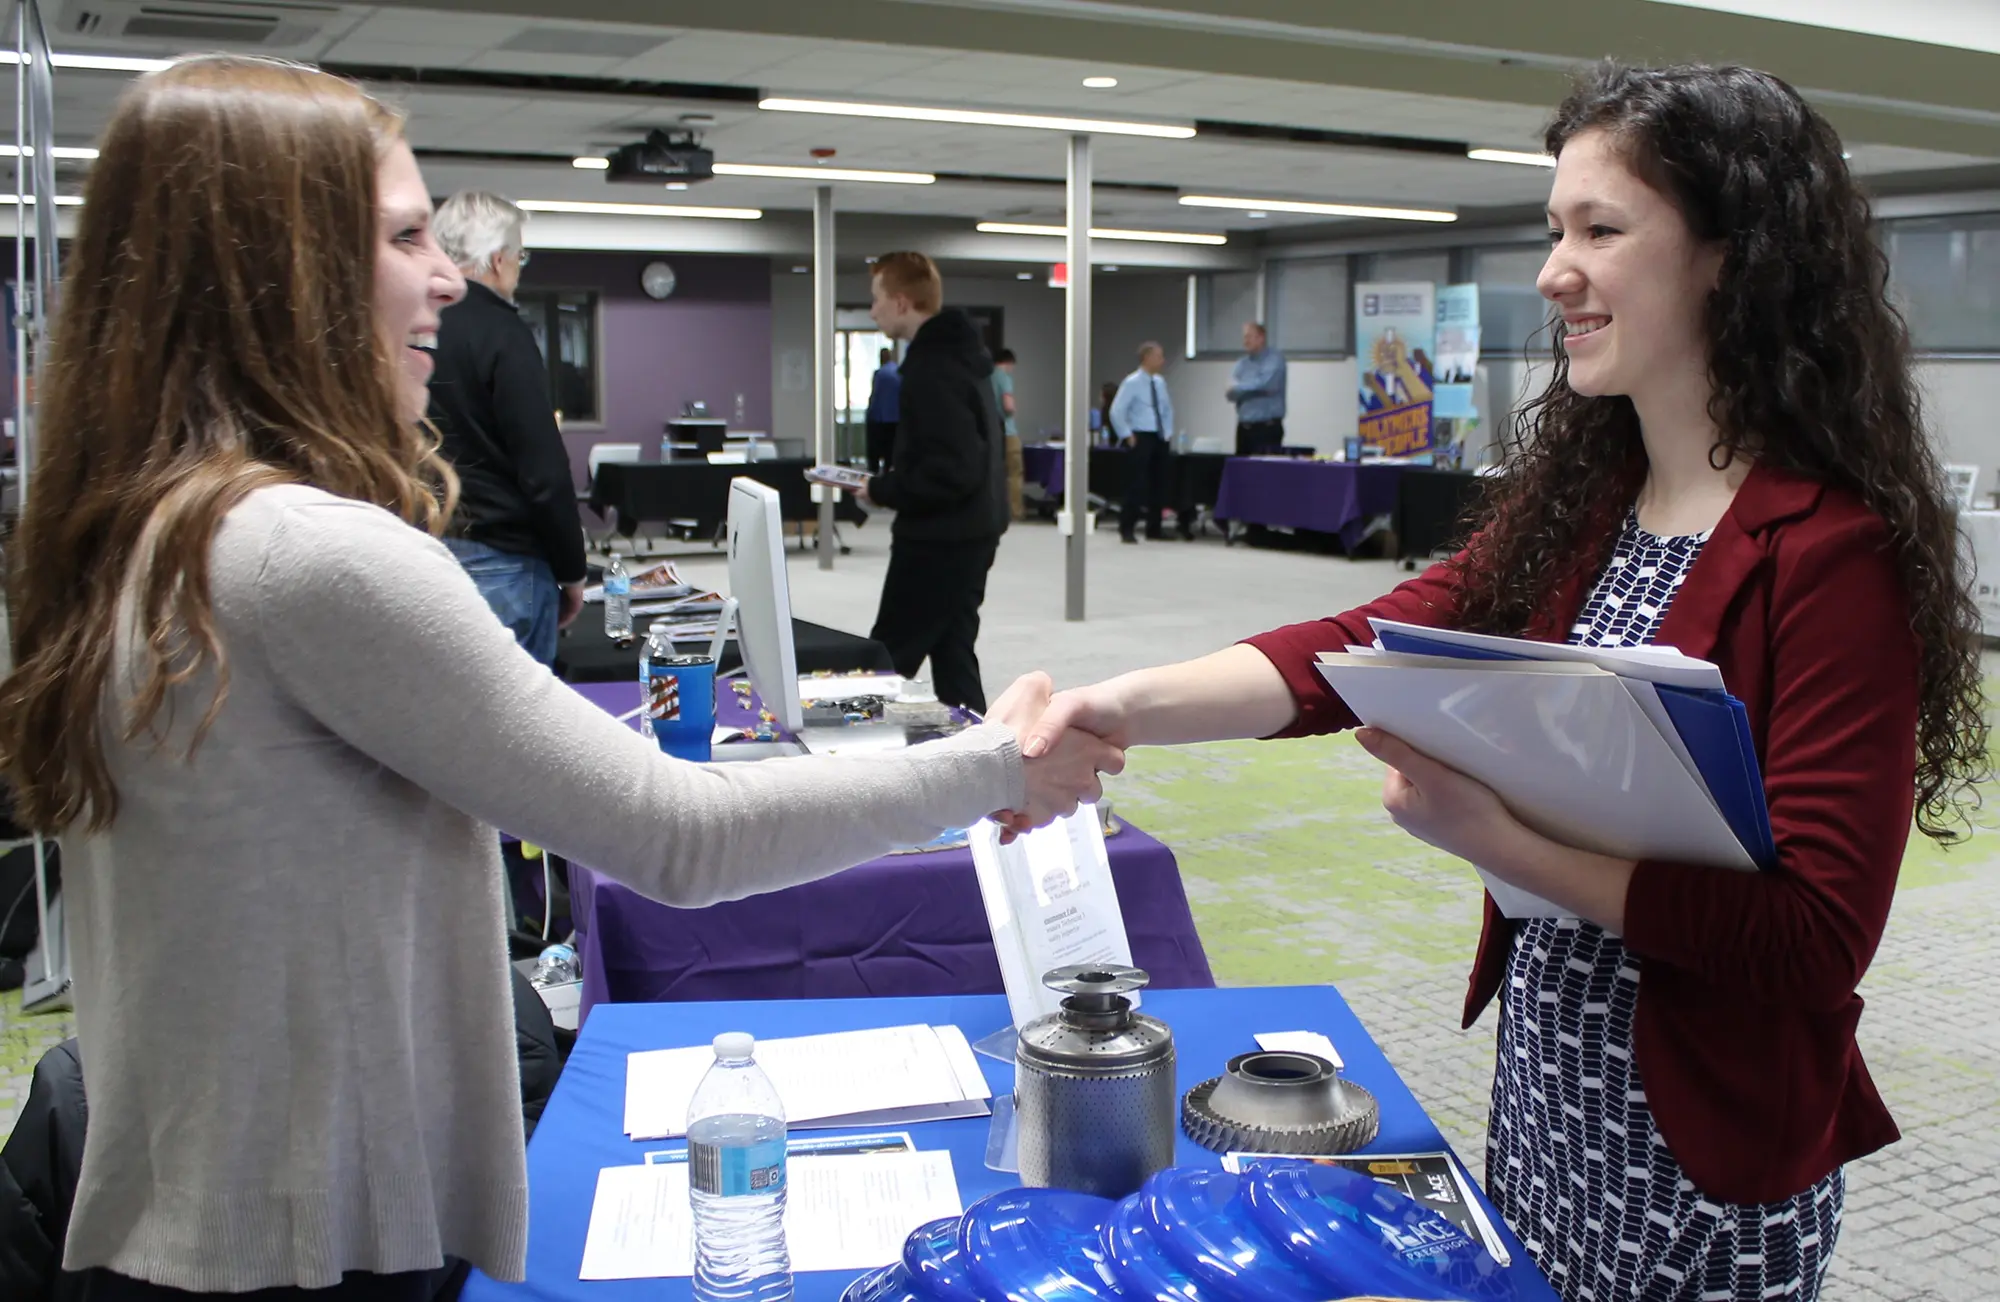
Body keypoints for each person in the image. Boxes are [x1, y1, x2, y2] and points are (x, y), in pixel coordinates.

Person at [0, 57, 1116, 1299]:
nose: (445, 276)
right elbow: (673, 834)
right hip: (314, 1246)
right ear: (282, 266)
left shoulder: (143, 528)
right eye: (406, 235)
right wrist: (988, 767)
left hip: (201, 1210)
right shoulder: (309, 552)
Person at [1018, 63, 1988, 1302]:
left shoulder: (1827, 554)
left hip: (1702, 1162)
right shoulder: (1589, 508)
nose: (1552, 272)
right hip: (1550, 1100)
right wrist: (1120, 707)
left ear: (1728, 257)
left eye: (1600, 230)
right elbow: (1359, 641)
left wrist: (1495, 840)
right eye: (1552, 231)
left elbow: (1808, 941)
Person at [425, 189, 585, 667]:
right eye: (520, 256)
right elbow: (542, 470)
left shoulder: (413, 326)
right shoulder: (503, 333)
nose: (518, 267)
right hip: (505, 563)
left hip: (424, 554)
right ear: (497, 260)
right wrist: (571, 571)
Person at [858, 251, 1009, 712]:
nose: (873, 310)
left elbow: (952, 468)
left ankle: (846, 762)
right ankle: (984, 757)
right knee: (952, 651)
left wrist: (880, 490)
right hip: (973, 531)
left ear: (902, 303)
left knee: (887, 656)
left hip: (939, 539)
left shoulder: (932, 369)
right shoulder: (965, 358)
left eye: (877, 299)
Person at [1108, 343, 1185, 543]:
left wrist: (1167, 432)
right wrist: (1126, 434)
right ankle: (1127, 528)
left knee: (1160, 483)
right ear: (1147, 358)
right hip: (1140, 436)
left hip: (1159, 437)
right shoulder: (1132, 382)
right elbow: (1116, 410)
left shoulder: (1159, 382)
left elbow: (1167, 409)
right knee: (1137, 483)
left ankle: (1155, 528)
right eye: (1159, 356)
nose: (1163, 360)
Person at [1227, 321, 1287, 456]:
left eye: (1248, 337)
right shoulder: (1241, 364)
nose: (1245, 341)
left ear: (1261, 338)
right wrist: (1245, 388)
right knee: (1241, 474)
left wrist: (1240, 387)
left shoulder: (1274, 359)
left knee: (1264, 474)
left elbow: (1267, 385)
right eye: (1244, 337)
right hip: (1243, 428)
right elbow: (1230, 394)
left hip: (1266, 428)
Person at [991, 348, 1024, 521]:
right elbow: (1008, 404)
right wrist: (1013, 409)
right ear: (1009, 363)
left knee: (996, 473)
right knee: (1014, 473)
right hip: (1008, 431)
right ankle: (1015, 512)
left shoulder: (988, 376)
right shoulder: (1004, 377)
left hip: (992, 432)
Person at [865, 345, 900, 474]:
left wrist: (870, 414)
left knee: (875, 451)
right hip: (896, 419)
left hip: (881, 419)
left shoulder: (880, 374)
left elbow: (876, 396)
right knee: (890, 453)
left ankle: (873, 474)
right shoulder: (899, 372)